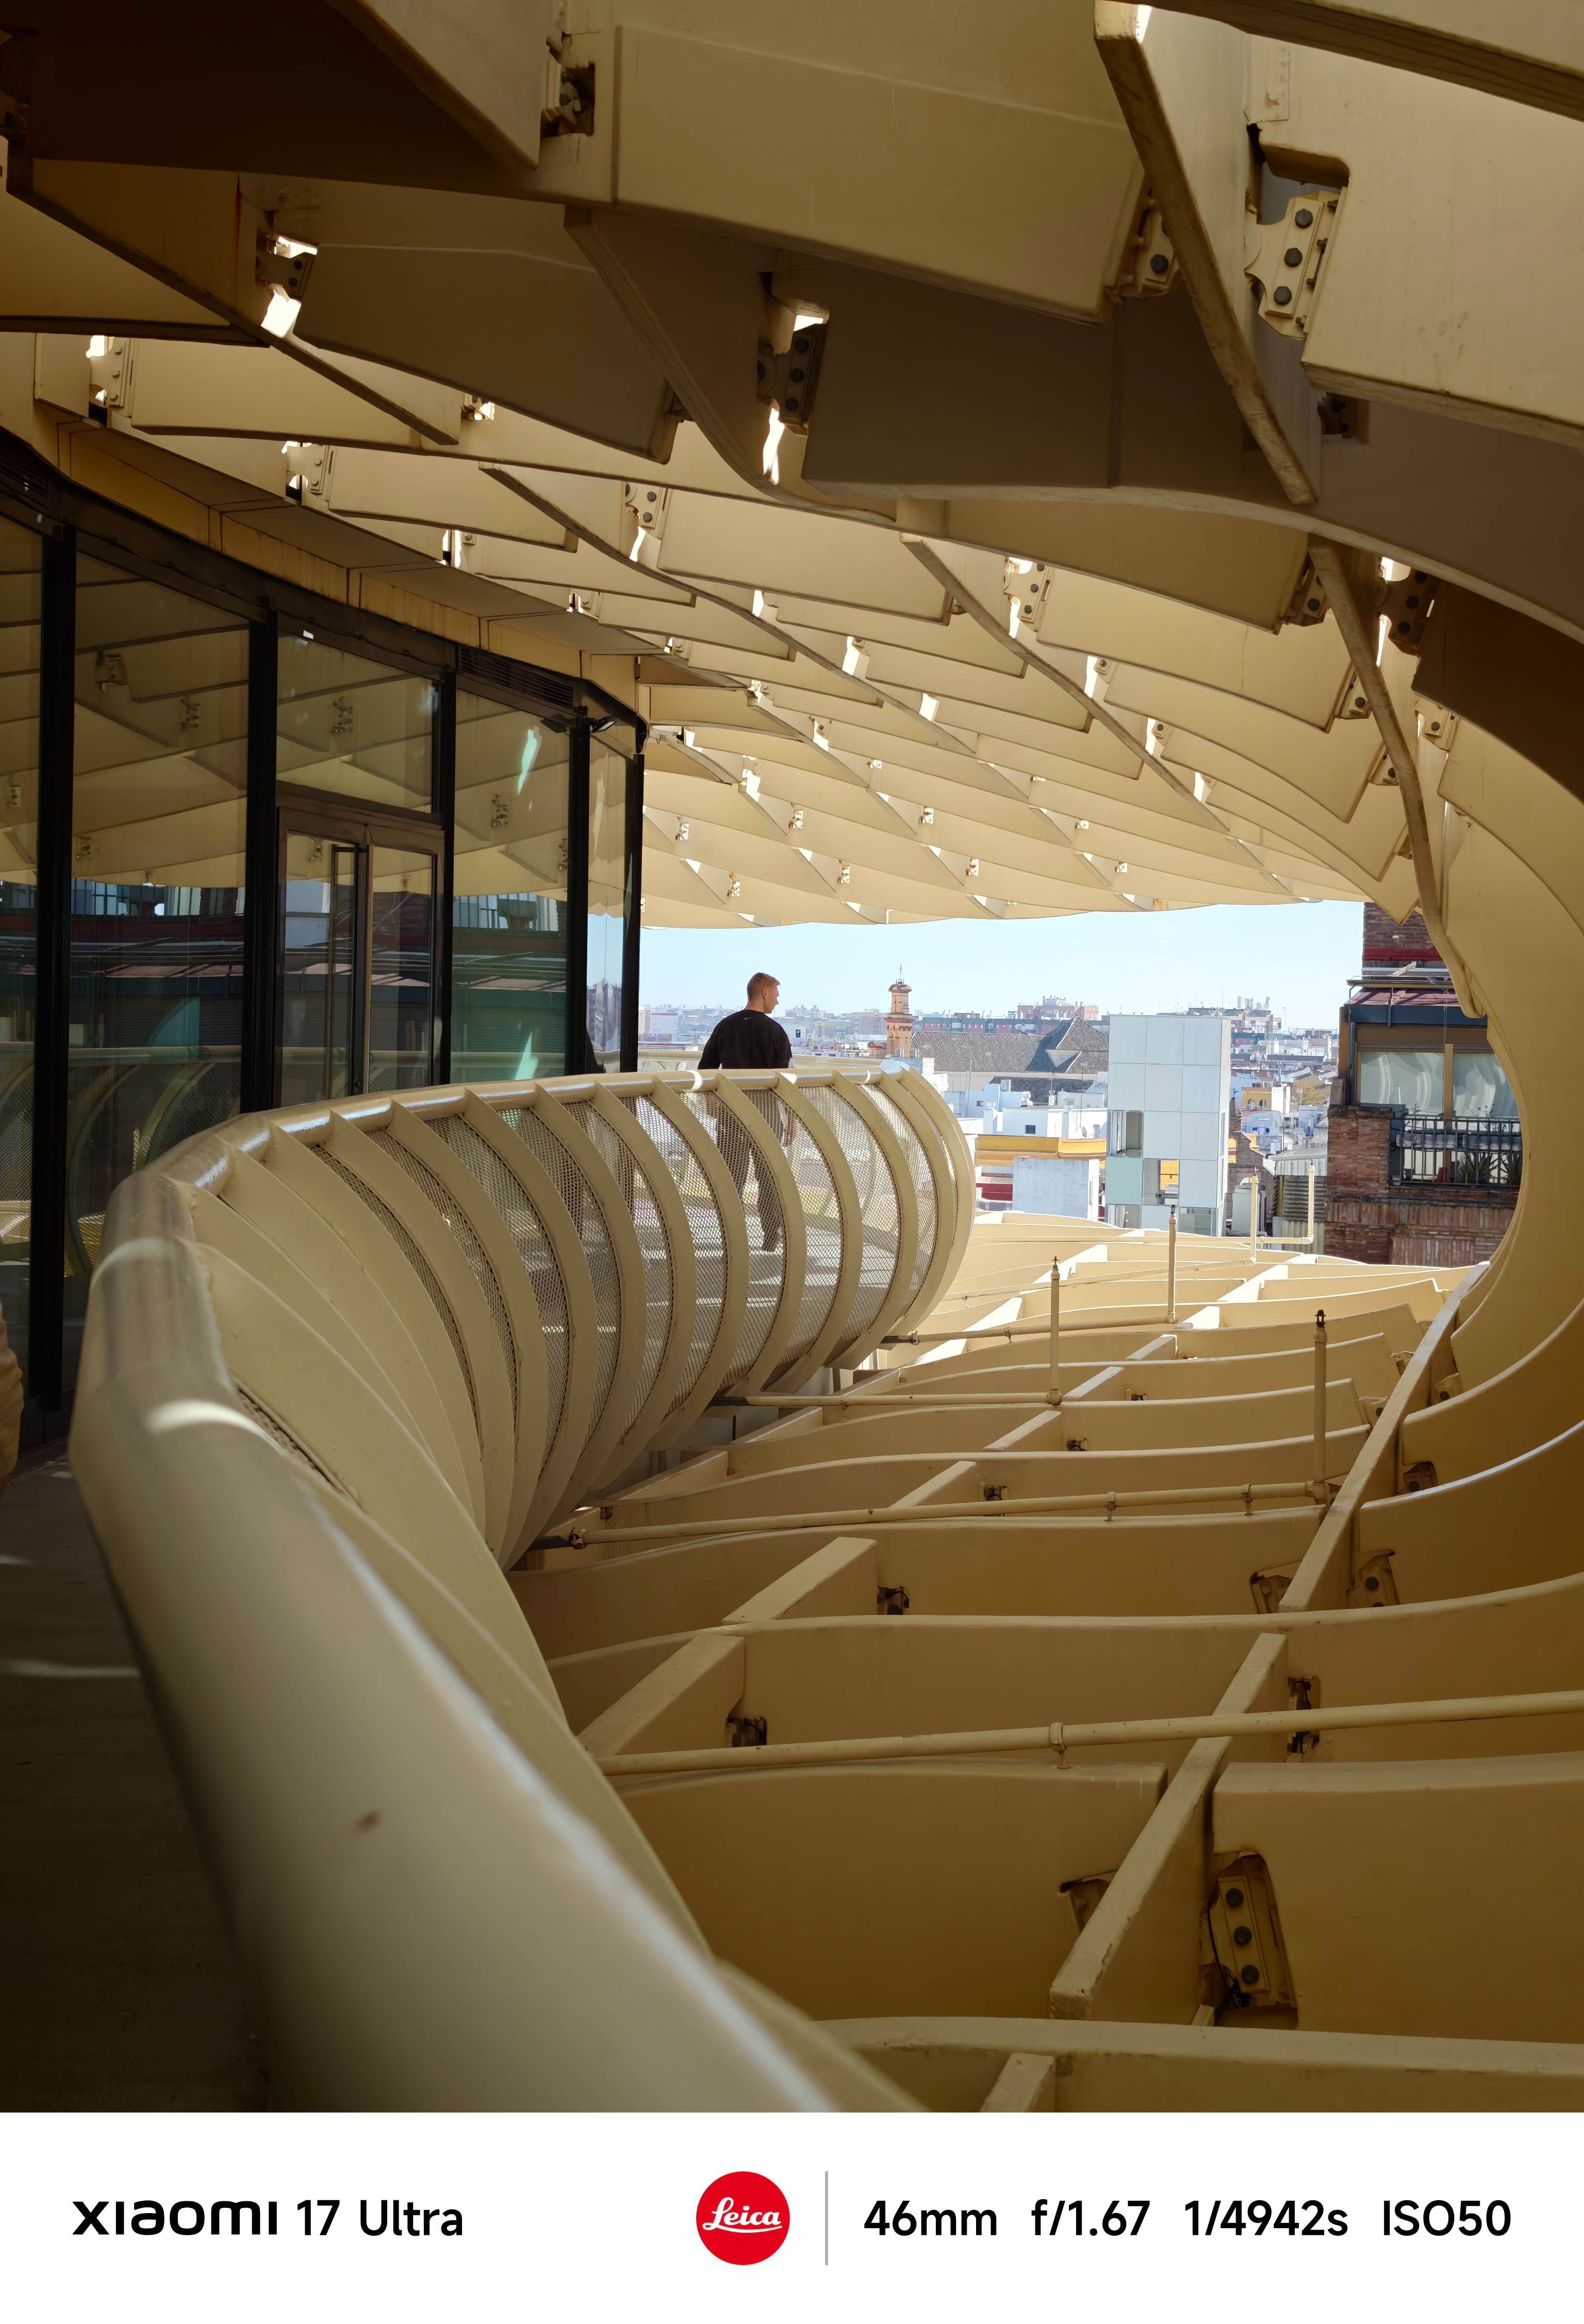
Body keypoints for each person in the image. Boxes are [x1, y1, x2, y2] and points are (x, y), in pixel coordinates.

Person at [699, 973, 793, 1253]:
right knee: (769, 1178)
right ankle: (770, 1237)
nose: (778, 1001)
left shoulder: (725, 1026)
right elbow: (786, 1081)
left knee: (732, 1179)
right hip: (766, 1116)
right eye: (776, 994)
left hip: (731, 1113)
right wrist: (792, 1121)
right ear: (764, 993)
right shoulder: (776, 1032)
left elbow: (705, 1068)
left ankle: (733, 1238)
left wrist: (711, 1102)